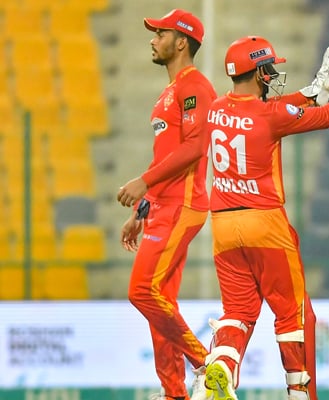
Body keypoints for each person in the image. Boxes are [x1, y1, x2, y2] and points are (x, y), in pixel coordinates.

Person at [200, 36, 329, 400]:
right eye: (268, 69)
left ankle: (221, 364)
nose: (272, 75)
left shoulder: (215, 110)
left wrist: (311, 90)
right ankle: (298, 392)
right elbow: (327, 117)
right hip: (265, 223)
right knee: (293, 315)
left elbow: (269, 110)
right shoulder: (269, 115)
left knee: (237, 311)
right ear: (256, 72)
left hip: (222, 224)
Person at [116, 8, 217, 400]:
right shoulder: (170, 92)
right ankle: (174, 392)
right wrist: (142, 211)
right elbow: (167, 155)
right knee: (159, 300)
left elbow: (194, 148)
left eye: (160, 34)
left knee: (142, 291)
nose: (153, 40)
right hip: (162, 207)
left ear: (181, 42)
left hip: (184, 204)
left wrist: (143, 183)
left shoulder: (196, 87)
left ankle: (207, 366)